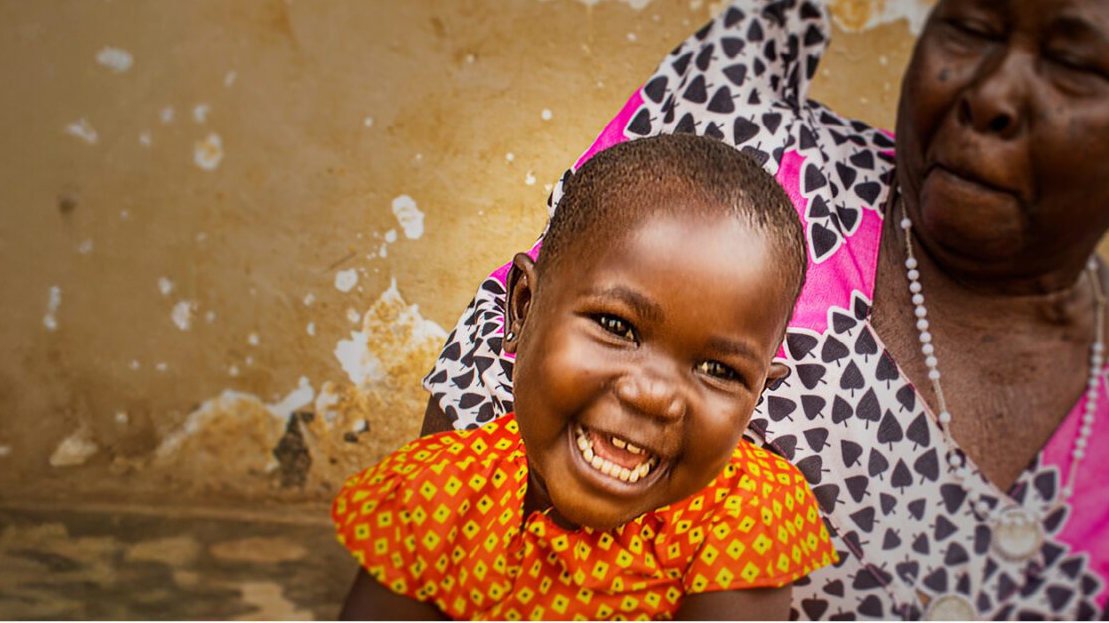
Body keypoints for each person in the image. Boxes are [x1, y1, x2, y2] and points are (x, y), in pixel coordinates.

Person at [419, 0, 1109, 618]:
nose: (987, 94)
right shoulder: (744, 182)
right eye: (971, 26)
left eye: (1075, 66)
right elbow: (464, 474)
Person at [337, 134, 836, 620]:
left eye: (719, 370)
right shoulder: (437, 494)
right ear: (522, 309)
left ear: (758, 394)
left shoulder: (747, 511)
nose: (654, 395)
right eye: (617, 327)